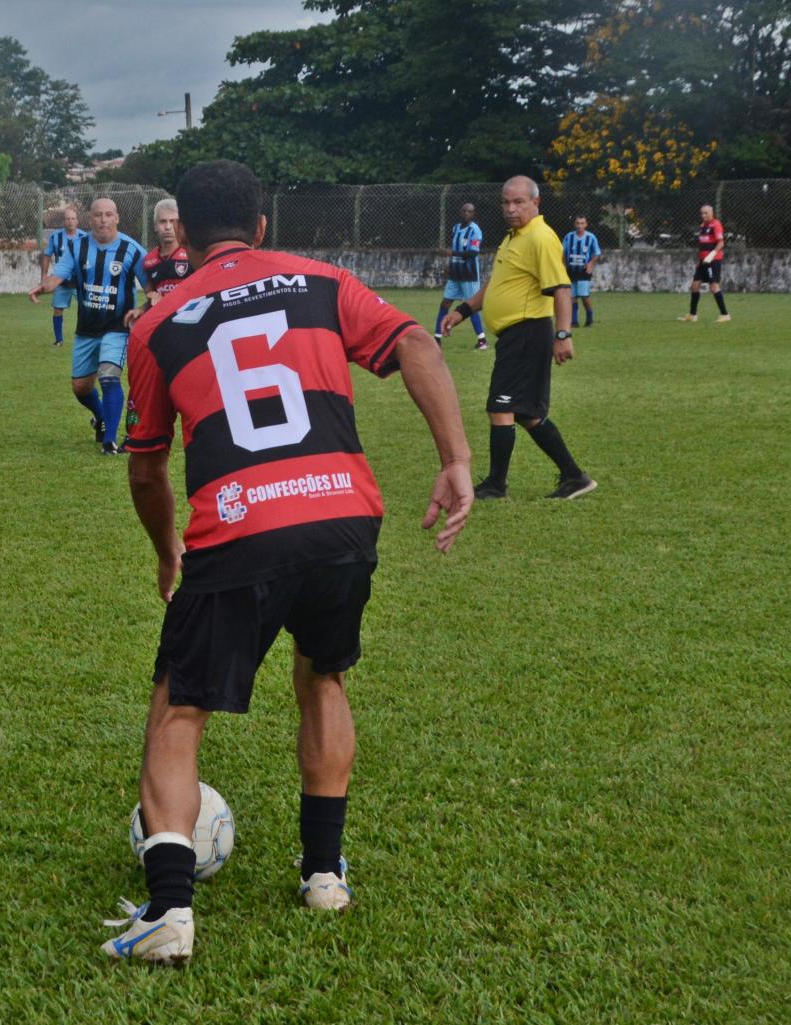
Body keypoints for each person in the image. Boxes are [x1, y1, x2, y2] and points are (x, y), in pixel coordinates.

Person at [104, 160, 473, 964]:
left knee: (178, 710)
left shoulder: (157, 322)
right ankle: (323, 874)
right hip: (343, 514)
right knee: (323, 675)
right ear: (261, 225)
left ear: (184, 235)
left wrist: (167, 546)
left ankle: (169, 911)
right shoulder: (321, 281)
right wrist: (454, 457)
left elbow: (144, 464)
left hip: (239, 523)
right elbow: (414, 340)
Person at [443, 176, 596, 501]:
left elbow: (561, 287)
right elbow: (497, 285)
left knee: (500, 407)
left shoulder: (540, 237)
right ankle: (574, 476)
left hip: (527, 332)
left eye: (518, 202)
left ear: (535, 203)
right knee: (527, 413)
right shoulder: (514, 237)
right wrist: (463, 311)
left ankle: (496, 485)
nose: (510, 209)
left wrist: (564, 334)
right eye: (506, 202)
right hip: (517, 335)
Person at [28, 197, 149, 455]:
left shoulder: (133, 250)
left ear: (117, 218)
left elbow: (151, 289)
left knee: (108, 375)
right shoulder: (77, 247)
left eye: (108, 215)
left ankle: (110, 441)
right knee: (81, 388)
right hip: (87, 328)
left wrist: (143, 309)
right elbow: (59, 275)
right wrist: (44, 285)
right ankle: (101, 416)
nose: (103, 220)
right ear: (89, 219)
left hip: (117, 326)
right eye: (97, 215)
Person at [434, 202, 488, 349]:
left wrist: (452, 253)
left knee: (472, 306)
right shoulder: (456, 228)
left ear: (473, 214)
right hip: (455, 274)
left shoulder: (475, 230)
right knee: (445, 303)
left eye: (469, 212)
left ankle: (482, 340)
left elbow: (473, 253)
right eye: (464, 211)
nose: (466, 214)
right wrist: (449, 265)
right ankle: (437, 338)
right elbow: (455, 248)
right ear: (460, 212)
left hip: (468, 275)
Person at [39, 205, 87, 346]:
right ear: (64, 222)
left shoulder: (84, 237)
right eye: (67, 219)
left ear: (77, 221)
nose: (70, 221)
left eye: (73, 218)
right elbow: (47, 255)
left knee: (87, 308)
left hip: (80, 281)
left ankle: (84, 338)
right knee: (58, 309)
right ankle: (59, 340)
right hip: (61, 281)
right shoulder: (56, 237)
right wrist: (44, 276)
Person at [681, 204, 730, 323]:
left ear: (711, 213)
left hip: (713, 261)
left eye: (706, 213)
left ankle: (725, 314)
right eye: (701, 213)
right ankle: (692, 315)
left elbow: (721, 243)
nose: (703, 215)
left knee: (714, 287)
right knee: (694, 286)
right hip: (703, 262)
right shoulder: (702, 226)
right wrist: (701, 261)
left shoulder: (716, 225)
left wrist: (712, 255)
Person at [141, 198, 192, 303]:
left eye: (172, 221)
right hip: (163, 318)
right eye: (163, 222)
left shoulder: (192, 253)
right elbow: (150, 295)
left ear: (180, 225)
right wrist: (147, 302)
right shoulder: (149, 260)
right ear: (155, 226)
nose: (168, 227)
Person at [563, 215, 601, 328]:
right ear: (575, 224)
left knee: (584, 296)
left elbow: (597, 254)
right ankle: (574, 321)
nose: (580, 226)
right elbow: (562, 253)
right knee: (572, 297)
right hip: (571, 271)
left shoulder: (591, 237)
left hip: (584, 271)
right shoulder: (568, 237)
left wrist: (590, 264)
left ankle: (589, 319)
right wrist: (564, 266)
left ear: (586, 224)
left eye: (582, 223)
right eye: (578, 223)